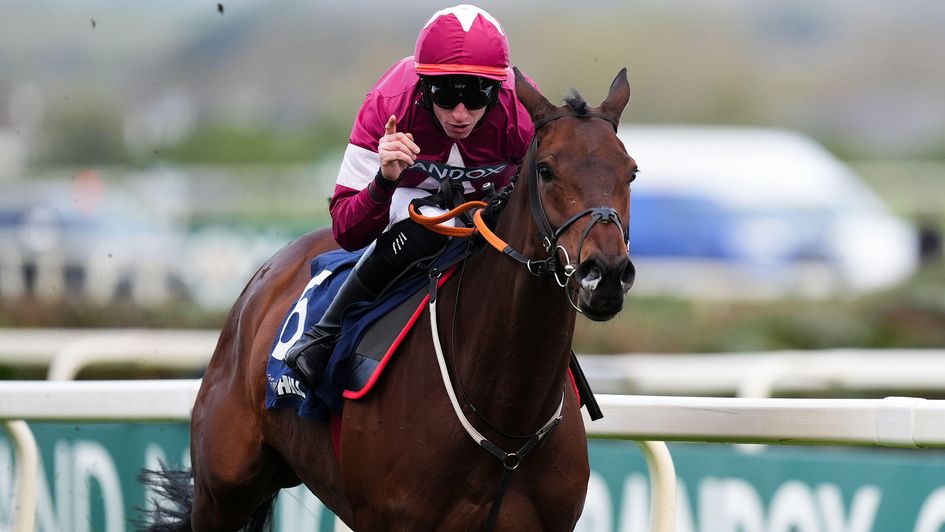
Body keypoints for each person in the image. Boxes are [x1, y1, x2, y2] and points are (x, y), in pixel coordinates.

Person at [285, 4, 535, 389]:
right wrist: (383, 183)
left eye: (477, 93)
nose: (460, 114)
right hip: (410, 201)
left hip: (491, 203)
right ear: (423, 85)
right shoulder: (389, 103)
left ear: (499, 87)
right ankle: (323, 335)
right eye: (446, 93)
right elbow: (347, 231)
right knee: (429, 224)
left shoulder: (522, 113)